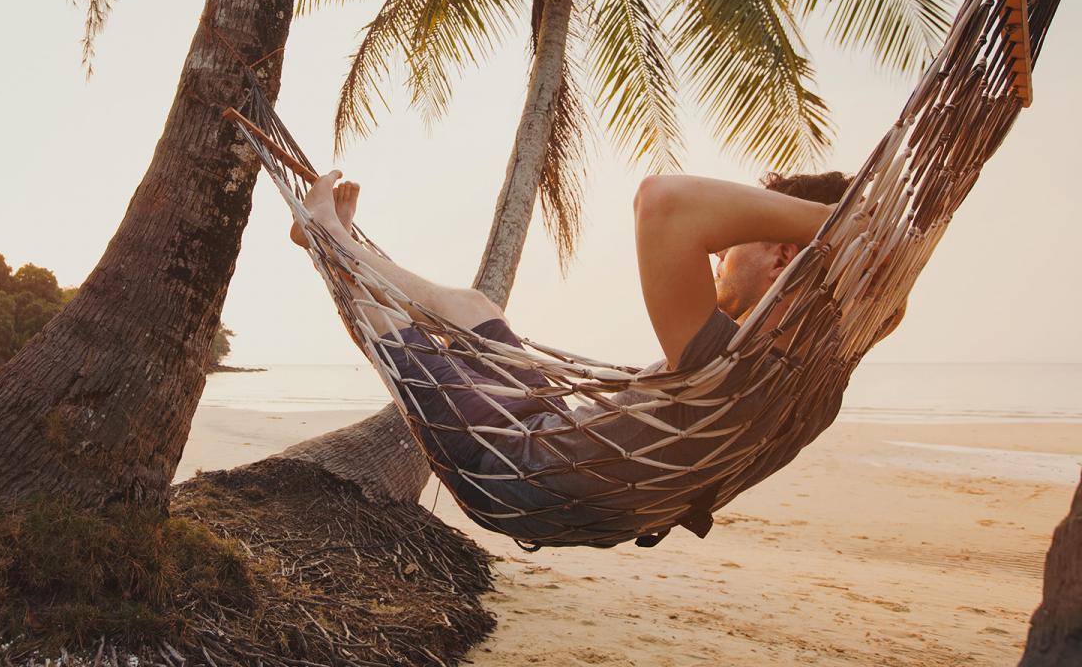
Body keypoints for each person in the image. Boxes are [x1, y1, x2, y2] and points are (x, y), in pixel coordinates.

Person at [288, 170, 906, 547]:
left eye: (727, 247)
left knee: (404, 343)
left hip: (509, 465)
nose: (716, 258)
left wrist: (831, 225)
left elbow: (663, 201)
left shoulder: (734, 366)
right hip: (554, 433)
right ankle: (341, 241)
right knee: (473, 308)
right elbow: (892, 304)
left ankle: (324, 242)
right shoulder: (819, 372)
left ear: (780, 255)